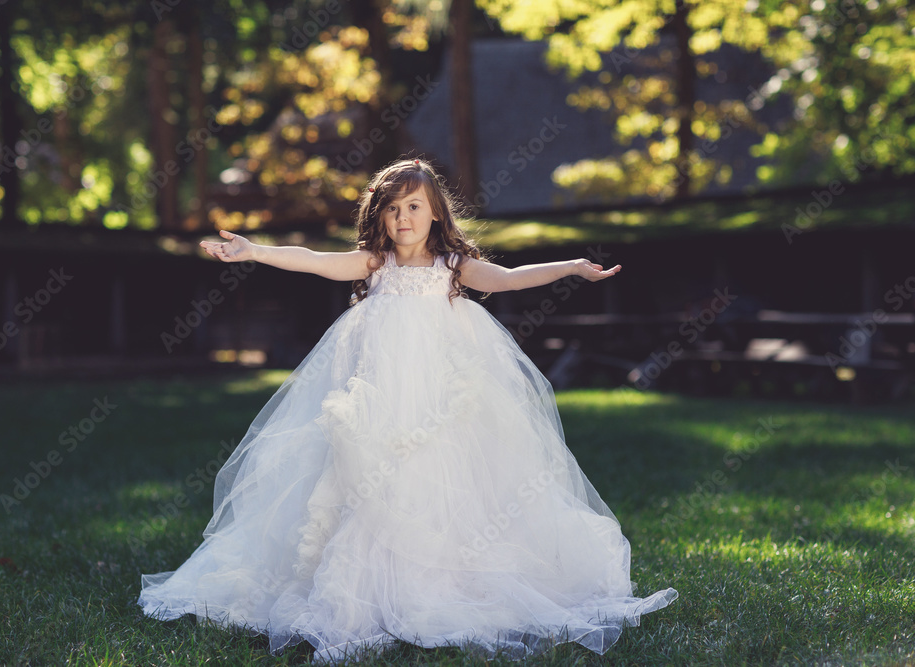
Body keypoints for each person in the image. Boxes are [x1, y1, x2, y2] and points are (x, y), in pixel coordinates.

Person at [137, 158, 678, 663]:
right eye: (393, 208)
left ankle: (448, 579)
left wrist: (571, 267)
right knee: (367, 480)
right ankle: (365, 589)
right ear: (381, 216)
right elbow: (315, 261)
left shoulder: (453, 267)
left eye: (414, 206)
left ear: (436, 212)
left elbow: (510, 279)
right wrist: (254, 251)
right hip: (382, 402)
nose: (403, 217)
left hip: (442, 403)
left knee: (448, 482)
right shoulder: (377, 264)